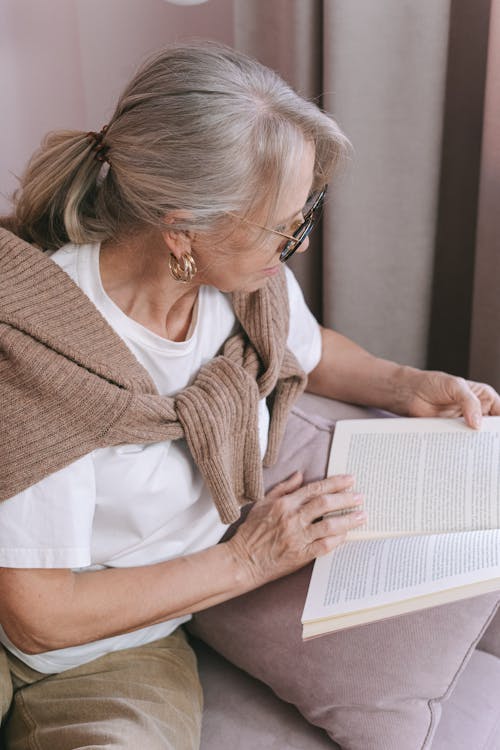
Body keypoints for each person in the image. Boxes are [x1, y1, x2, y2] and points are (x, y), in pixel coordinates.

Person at [0, 41, 499, 750]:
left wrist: (409, 384)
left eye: (305, 214)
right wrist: (248, 560)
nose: (294, 244)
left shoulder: (249, 295)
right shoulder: (38, 350)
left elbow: (315, 350)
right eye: (282, 225)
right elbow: (37, 617)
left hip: (125, 653)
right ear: (183, 229)